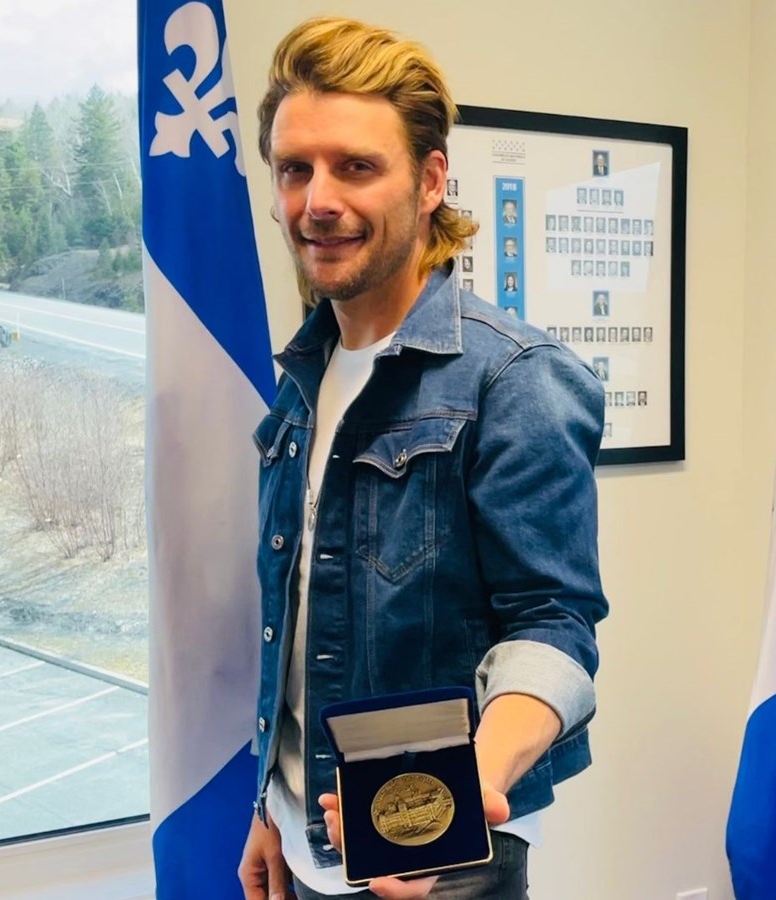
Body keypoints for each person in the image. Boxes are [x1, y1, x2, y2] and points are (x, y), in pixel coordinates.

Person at [242, 16, 609, 900]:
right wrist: (272, 807)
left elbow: (553, 628)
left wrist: (447, 807)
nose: (316, 200)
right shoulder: (304, 373)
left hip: (439, 862)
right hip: (302, 850)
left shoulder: (513, 378)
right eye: (296, 168)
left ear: (432, 178)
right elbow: (300, 627)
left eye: (356, 167)